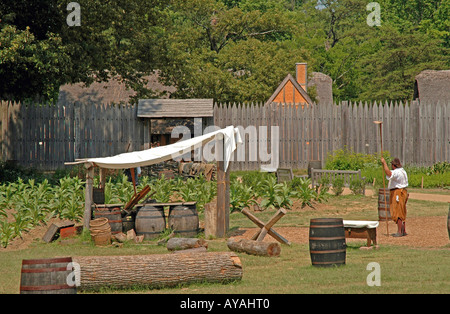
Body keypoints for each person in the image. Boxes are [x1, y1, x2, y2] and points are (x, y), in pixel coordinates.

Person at [381, 157, 409, 237]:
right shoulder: (403, 171)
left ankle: (399, 231)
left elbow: (388, 173)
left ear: (393, 165)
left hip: (398, 192)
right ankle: (403, 230)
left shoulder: (397, 172)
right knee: (402, 210)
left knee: (398, 211)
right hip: (402, 191)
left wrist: (384, 163)